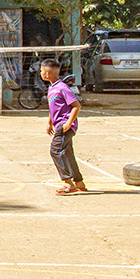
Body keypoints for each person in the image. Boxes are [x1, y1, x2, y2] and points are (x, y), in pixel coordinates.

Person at [41, 58, 87, 195]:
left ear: (47, 74)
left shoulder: (62, 88)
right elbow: (53, 107)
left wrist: (68, 123)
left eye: (42, 71)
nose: (41, 74)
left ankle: (68, 182)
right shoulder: (52, 88)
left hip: (65, 126)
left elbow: (76, 106)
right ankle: (79, 183)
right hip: (58, 124)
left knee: (55, 151)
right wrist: (49, 122)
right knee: (67, 153)